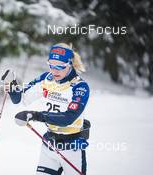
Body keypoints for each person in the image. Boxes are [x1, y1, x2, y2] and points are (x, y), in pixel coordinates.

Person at [6, 43, 90, 175]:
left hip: (72, 150)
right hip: (49, 147)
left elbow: (68, 118)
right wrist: (11, 85)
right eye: (51, 65)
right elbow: (21, 98)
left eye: (59, 67)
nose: (54, 71)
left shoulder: (80, 87)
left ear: (69, 64)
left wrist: (35, 115)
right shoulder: (46, 79)